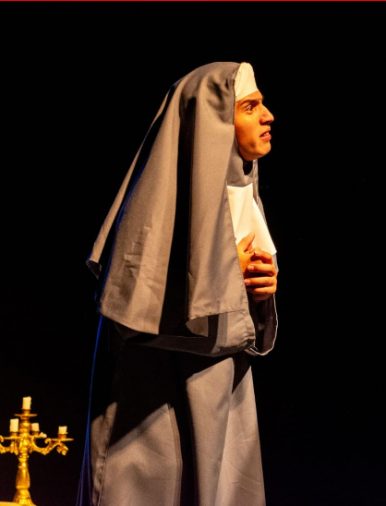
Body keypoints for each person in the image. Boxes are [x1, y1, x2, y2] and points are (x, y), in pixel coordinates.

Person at [83, 62, 278, 505]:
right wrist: (225, 275)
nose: (268, 116)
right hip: (154, 406)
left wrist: (258, 294)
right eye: (250, 106)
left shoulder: (241, 191)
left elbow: (239, 324)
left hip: (224, 393)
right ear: (212, 123)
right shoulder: (155, 206)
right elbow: (130, 316)